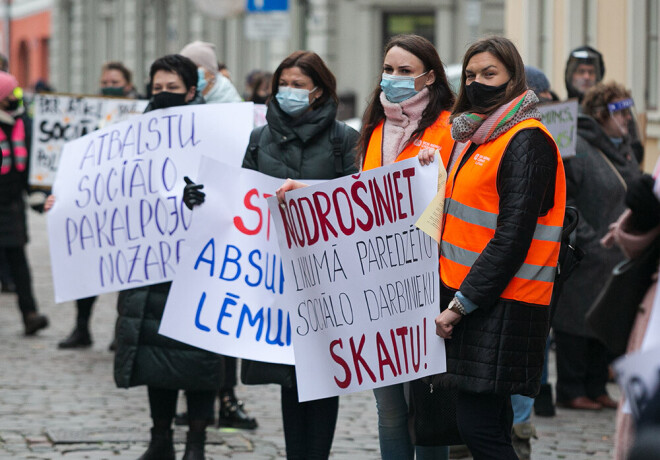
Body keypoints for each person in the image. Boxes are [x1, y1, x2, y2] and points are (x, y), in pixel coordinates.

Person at [187, 49, 359, 460]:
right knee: (289, 377)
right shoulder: (260, 138)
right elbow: (238, 200)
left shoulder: (344, 140)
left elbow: (360, 206)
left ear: (319, 91)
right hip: (273, 278)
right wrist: (203, 199)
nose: (288, 92)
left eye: (298, 85)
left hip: (325, 279)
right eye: (283, 84)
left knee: (323, 374)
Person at [425, 36, 565, 459]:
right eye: (470, 75)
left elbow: (511, 237)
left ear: (513, 78)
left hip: (503, 302)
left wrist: (461, 304)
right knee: (490, 426)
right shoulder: (476, 137)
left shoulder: (526, 140)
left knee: (478, 428)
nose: (477, 82)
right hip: (480, 299)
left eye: (490, 74)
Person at [113, 54, 221, 460]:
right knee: (154, 355)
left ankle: (196, 442)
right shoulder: (131, 134)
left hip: (201, 265)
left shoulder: (216, 132)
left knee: (199, 358)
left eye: (172, 90)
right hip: (150, 266)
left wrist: (205, 199)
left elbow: (234, 190)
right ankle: (160, 440)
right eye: (157, 89)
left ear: (192, 92)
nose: (162, 96)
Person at [357, 33, 454, 460]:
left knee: (429, 407)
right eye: (388, 69)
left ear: (429, 77)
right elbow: (358, 196)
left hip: (430, 284)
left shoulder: (450, 128)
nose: (392, 78)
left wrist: (441, 174)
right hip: (380, 285)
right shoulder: (374, 128)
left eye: (405, 71)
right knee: (390, 408)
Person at [175, 40, 257, 432]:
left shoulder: (233, 112)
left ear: (209, 74)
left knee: (222, 317)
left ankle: (225, 396)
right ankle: (195, 396)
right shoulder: (187, 109)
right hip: (192, 223)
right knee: (192, 315)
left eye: (196, 71)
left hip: (227, 226)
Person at [552, 82, 642, 412]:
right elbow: (565, 195)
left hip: (616, 252)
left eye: (627, 108)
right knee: (576, 321)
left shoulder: (625, 148)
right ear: (602, 113)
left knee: (604, 321)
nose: (626, 118)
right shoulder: (577, 144)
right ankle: (571, 388)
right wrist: (586, 238)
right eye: (619, 110)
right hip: (586, 250)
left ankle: (595, 386)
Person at [0, 70, 49, 336]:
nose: (17, 98)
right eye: (12, 94)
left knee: (19, 262)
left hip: (12, 206)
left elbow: (33, 161)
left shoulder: (21, 123)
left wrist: (37, 192)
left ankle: (29, 313)